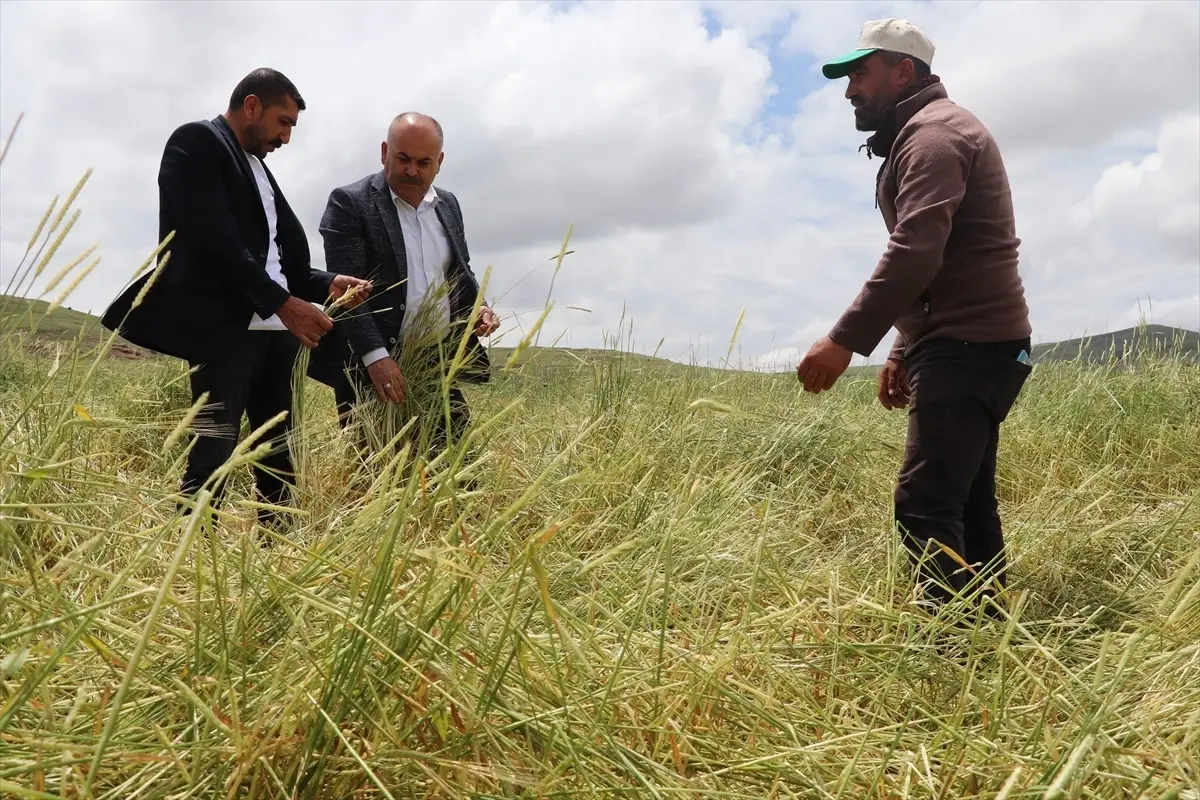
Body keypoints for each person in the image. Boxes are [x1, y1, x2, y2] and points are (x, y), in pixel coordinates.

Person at [795, 19, 1034, 611]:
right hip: (972, 343)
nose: (849, 89)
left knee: (924, 505)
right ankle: (986, 639)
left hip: (969, 347)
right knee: (966, 502)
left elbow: (917, 249)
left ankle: (951, 653)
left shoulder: (933, 136)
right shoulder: (926, 132)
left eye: (860, 72)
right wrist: (904, 348)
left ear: (905, 71)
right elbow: (940, 257)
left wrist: (845, 339)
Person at [101, 68, 371, 534]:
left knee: (281, 452)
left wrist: (326, 284)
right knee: (213, 450)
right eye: (282, 122)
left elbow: (272, 261)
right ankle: (193, 562)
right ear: (251, 106)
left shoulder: (260, 170)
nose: (286, 137)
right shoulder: (197, 143)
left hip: (277, 337)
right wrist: (284, 304)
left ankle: (276, 553)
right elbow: (209, 240)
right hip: (222, 334)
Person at [307, 112, 499, 468]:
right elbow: (348, 293)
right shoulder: (349, 203)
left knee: (456, 472)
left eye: (424, 162)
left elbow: (459, 271)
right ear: (384, 152)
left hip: (435, 361)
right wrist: (376, 358)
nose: (413, 170)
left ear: (439, 162)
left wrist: (480, 308)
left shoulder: (449, 205)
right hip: (371, 369)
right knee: (374, 475)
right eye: (403, 159)